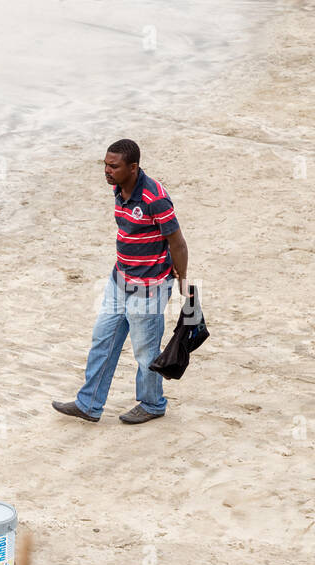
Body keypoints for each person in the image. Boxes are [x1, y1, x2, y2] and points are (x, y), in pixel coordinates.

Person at [53, 139, 189, 424]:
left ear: (133, 167)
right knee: (103, 340)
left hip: (148, 289)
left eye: (113, 166)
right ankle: (88, 403)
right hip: (119, 281)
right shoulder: (119, 187)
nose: (107, 170)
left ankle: (153, 404)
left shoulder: (155, 199)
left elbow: (177, 242)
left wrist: (182, 280)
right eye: (105, 164)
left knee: (145, 352)